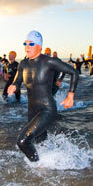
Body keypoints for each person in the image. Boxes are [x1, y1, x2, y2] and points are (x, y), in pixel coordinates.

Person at [8, 31, 79, 162]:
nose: (27, 46)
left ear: (39, 46)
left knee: (23, 141)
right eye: (26, 43)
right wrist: (13, 86)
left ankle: (37, 166)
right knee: (40, 143)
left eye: (31, 44)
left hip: (47, 109)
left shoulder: (49, 61)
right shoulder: (22, 64)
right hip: (32, 111)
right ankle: (51, 165)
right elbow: (17, 81)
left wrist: (70, 95)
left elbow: (74, 72)